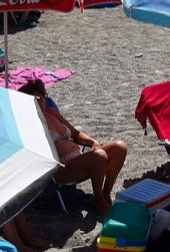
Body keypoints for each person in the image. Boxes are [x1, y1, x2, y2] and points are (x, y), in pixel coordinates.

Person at [19, 78, 128, 217]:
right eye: (33, 100)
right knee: (99, 156)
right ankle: (99, 200)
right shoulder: (30, 125)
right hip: (62, 169)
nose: (38, 103)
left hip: (80, 160)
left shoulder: (52, 112)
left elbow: (76, 134)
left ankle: (105, 193)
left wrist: (93, 142)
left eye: (40, 98)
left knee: (119, 147)